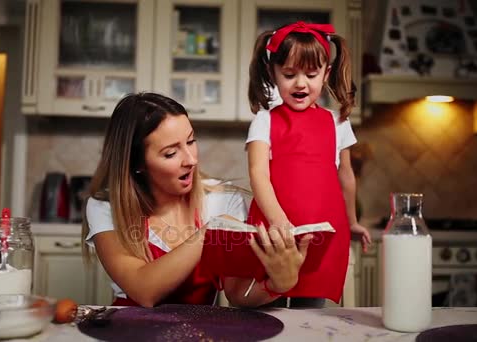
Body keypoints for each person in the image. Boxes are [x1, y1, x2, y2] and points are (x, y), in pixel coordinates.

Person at [81, 92, 313, 308]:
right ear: (137, 164)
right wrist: (210, 232)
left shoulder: (223, 201)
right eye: (171, 153)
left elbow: (237, 294)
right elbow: (144, 290)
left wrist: (278, 284)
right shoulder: (105, 207)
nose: (191, 160)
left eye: (191, 141)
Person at [245, 21, 371, 307]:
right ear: (272, 73)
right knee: (269, 307)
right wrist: (279, 222)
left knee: (311, 315)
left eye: (311, 74)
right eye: (289, 74)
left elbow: (346, 177)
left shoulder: (337, 121)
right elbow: (258, 174)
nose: (300, 83)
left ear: (326, 74)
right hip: (275, 236)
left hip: (322, 238)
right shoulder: (265, 120)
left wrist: (352, 222)